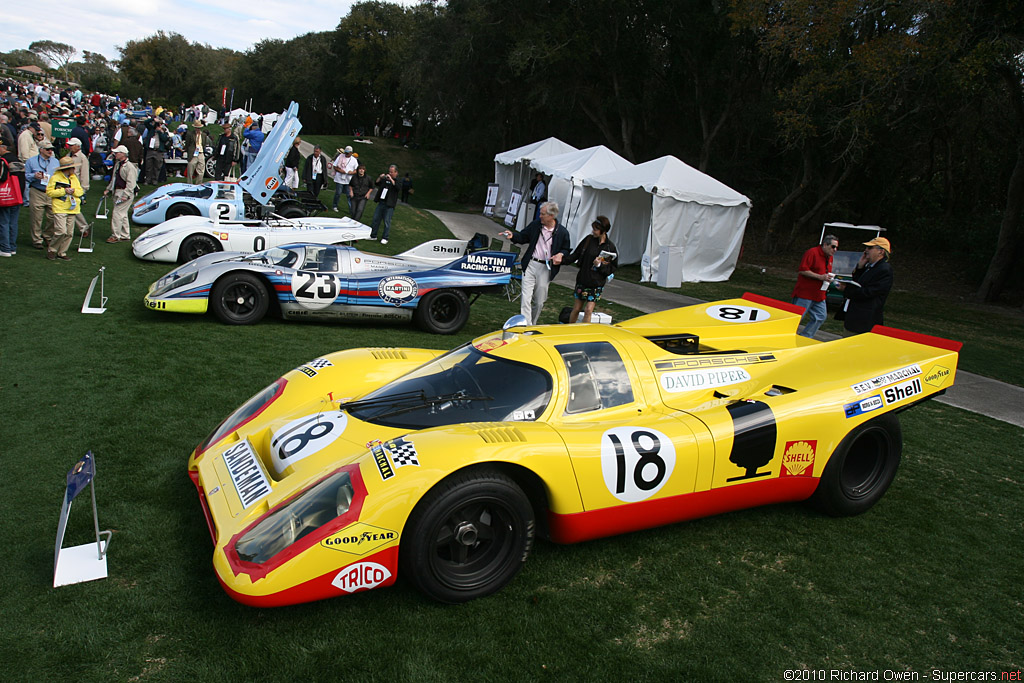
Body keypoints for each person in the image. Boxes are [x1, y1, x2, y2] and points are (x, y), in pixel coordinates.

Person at [501, 200, 571, 324]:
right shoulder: (536, 225)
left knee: (539, 302)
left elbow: (566, 249)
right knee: (525, 298)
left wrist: (561, 254)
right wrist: (513, 236)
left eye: (542, 214)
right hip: (530, 264)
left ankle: (531, 324)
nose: (540, 216)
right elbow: (523, 236)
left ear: (551, 216)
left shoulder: (562, 232)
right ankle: (526, 328)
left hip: (546, 268)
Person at [564, 216, 618, 323]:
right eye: (593, 228)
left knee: (588, 310)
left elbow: (612, 267)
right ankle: (570, 330)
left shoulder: (610, 247)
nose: (593, 231)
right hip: (583, 280)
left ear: (603, 231)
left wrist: (599, 266)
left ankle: (584, 334)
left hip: (596, 283)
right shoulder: (588, 240)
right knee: (577, 308)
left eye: (596, 229)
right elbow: (576, 254)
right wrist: (563, 260)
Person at [836, 237, 894, 334]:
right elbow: (857, 282)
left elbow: (869, 292)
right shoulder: (869, 266)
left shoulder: (884, 270)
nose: (866, 250)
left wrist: (846, 290)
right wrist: (860, 267)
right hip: (855, 318)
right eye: (866, 247)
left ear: (881, 252)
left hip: (864, 321)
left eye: (870, 248)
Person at [791, 234, 838, 338]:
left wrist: (828, 279)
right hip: (805, 293)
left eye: (836, 247)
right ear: (825, 245)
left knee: (821, 316)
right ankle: (786, 334)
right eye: (833, 247)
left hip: (819, 294)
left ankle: (805, 336)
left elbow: (825, 273)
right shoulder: (812, 252)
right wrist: (820, 277)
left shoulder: (830, 258)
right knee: (797, 317)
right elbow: (803, 270)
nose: (835, 250)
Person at [45, 155, 85, 261]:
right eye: (73, 167)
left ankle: (62, 252)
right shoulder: (55, 177)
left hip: (72, 208)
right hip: (60, 208)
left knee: (69, 233)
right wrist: (64, 191)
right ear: (67, 168)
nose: (74, 169)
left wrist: (73, 191)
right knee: (61, 231)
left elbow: (80, 191)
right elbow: (49, 192)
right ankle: (52, 250)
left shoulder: (74, 178)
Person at [24, 140, 59, 250]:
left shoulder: (55, 162)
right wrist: (34, 176)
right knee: (36, 218)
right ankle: (37, 240)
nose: (50, 151)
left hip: (51, 191)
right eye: (48, 149)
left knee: (53, 216)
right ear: (41, 150)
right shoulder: (31, 161)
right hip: (37, 190)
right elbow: (25, 176)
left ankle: (47, 235)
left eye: (51, 149)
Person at [103, 145, 139, 243]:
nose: (115, 154)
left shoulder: (130, 167)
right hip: (118, 191)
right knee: (122, 214)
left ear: (123, 154)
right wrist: (109, 189)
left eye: (117, 152)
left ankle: (115, 235)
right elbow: (114, 179)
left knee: (117, 213)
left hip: (124, 192)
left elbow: (131, 183)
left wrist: (125, 195)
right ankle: (125, 234)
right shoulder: (118, 164)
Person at [64, 138, 92, 238]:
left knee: (73, 207)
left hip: (76, 187)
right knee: (70, 207)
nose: (70, 147)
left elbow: (84, 174)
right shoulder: (68, 155)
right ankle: (82, 227)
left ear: (78, 146)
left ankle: (83, 227)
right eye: (69, 145)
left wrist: (84, 188)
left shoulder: (82, 158)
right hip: (67, 185)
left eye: (72, 145)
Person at [0, 140, 22, 256]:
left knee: (4, 222)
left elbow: (2, 178)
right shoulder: (17, 160)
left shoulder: (3, 160)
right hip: (17, 195)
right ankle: (12, 247)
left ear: (3, 148)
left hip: (5, 196)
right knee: (13, 222)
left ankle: (5, 248)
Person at [369, 164, 399, 244]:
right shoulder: (385, 180)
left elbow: (397, 187)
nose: (390, 173)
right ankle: (373, 235)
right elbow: (377, 183)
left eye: (392, 172)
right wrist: (380, 177)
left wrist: (392, 180)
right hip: (381, 202)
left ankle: (385, 237)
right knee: (376, 219)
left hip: (389, 205)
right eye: (389, 172)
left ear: (396, 172)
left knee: (386, 221)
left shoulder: (397, 181)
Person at [330, 145, 357, 213]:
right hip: (339, 178)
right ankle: (334, 206)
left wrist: (352, 172)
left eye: (348, 153)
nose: (346, 154)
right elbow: (335, 166)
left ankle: (351, 209)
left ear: (351, 153)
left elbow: (356, 170)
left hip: (348, 180)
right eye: (346, 152)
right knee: (338, 193)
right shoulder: (340, 156)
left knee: (349, 195)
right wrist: (340, 170)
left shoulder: (354, 160)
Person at [143, 119, 170, 185]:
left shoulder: (164, 131)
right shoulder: (151, 130)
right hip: (150, 150)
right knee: (148, 166)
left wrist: (160, 132)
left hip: (158, 151)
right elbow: (146, 122)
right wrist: (153, 119)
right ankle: (147, 179)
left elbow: (164, 139)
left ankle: (154, 180)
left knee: (157, 167)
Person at [185, 120, 210, 185]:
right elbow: (187, 144)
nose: (198, 129)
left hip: (200, 153)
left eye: (199, 128)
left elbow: (203, 144)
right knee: (190, 170)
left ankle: (198, 184)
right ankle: (189, 184)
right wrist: (189, 152)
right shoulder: (190, 134)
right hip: (193, 153)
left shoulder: (203, 135)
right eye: (197, 128)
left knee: (201, 170)